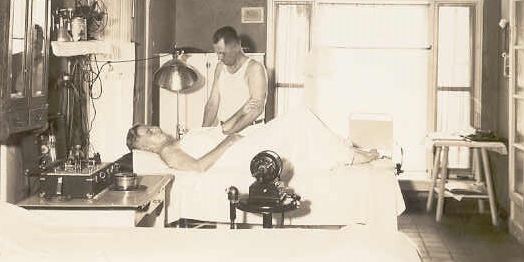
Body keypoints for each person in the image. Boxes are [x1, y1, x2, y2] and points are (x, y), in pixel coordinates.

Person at [127, 108, 380, 173]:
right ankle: (350, 155)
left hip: (239, 144)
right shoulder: (169, 152)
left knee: (299, 120)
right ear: (145, 147)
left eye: (150, 126)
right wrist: (228, 143)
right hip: (237, 154)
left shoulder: (177, 142)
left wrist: (240, 118)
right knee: (299, 119)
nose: (155, 128)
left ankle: (345, 149)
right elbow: (198, 167)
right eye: (148, 133)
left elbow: (219, 131)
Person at [202, 26, 267, 134]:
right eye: (217, 53)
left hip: (249, 132)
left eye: (222, 53)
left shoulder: (254, 68)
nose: (219, 58)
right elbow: (212, 103)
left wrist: (231, 134)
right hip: (225, 129)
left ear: (237, 46)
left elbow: (256, 109)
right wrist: (203, 132)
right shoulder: (220, 67)